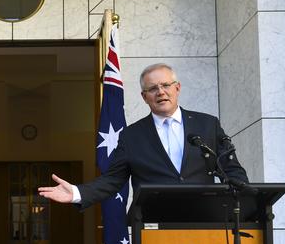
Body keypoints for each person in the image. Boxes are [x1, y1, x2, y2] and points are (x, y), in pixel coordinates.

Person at [38, 63, 248, 209]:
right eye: (152, 88)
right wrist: (76, 193)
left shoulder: (207, 124)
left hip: (205, 220)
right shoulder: (131, 136)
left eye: (165, 85)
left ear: (177, 88)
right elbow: (113, 180)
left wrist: (247, 207)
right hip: (153, 225)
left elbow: (231, 171)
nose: (161, 92)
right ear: (144, 96)